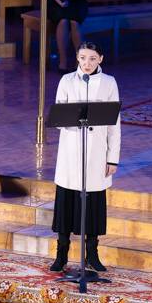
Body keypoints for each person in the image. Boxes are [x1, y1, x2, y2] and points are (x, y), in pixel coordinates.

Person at [50, 42, 121, 273]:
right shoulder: (67, 81)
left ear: (100, 58)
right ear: (77, 59)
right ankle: (62, 254)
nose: (87, 63)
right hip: (71, 150)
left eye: (92, 58)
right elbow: (59, 116)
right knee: (67, 202)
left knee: (93, 204)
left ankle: (92, 253)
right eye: (82, 58)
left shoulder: (109, 82)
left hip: (96, 153)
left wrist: (113, 158)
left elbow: (114, 124)